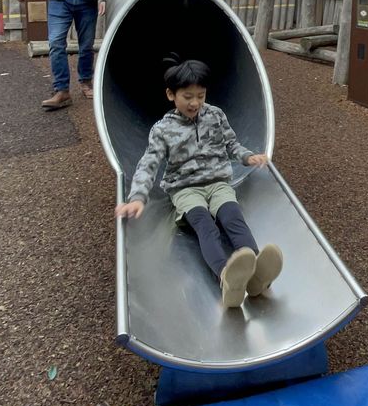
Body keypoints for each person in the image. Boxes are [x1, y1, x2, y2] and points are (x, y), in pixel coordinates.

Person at [115, 56, 284, 309]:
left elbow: (231, 144)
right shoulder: (163, 129)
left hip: (217, 182)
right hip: (185, 188)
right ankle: (226, 277)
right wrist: (137, 197)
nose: (195, 102)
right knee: (205, 224)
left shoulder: (215, 115)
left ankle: (258, 278)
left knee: (233, 218)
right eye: (188, 96)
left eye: (201, 95)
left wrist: (247, 156)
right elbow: (148, 164)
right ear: (171, 95)